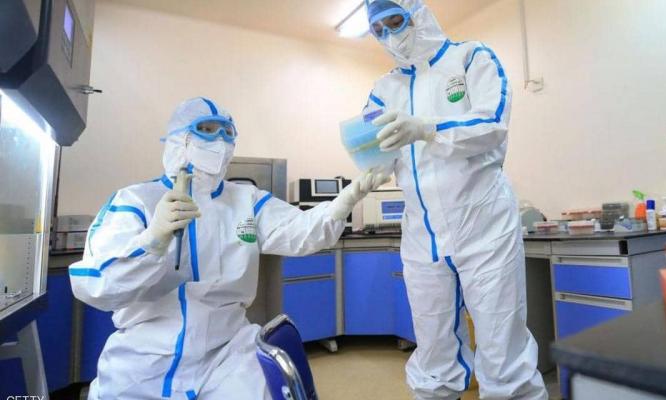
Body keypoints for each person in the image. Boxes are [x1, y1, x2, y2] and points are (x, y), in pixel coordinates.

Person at [69, 97, 387, 399]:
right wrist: (152, 241)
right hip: (146, 356)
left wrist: (347, 199)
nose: (220, 141)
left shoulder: (246, 200)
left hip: (228, 350)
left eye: (227, 132)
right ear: (179, 140)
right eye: (207, 130)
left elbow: (301, 231)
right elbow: (97, 285)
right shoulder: (135, 201)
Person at [362, 1, 548, 399]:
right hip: (422, 237)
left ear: (418, 14)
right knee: (433, 351)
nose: (391, 35)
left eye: (396, 21)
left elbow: (492, 123)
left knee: (502, 349)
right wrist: (370, 167)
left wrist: (427, 129)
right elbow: (373, 147)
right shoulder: (383, 90)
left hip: (484, 228)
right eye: (379, 30)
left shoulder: (471, 57)